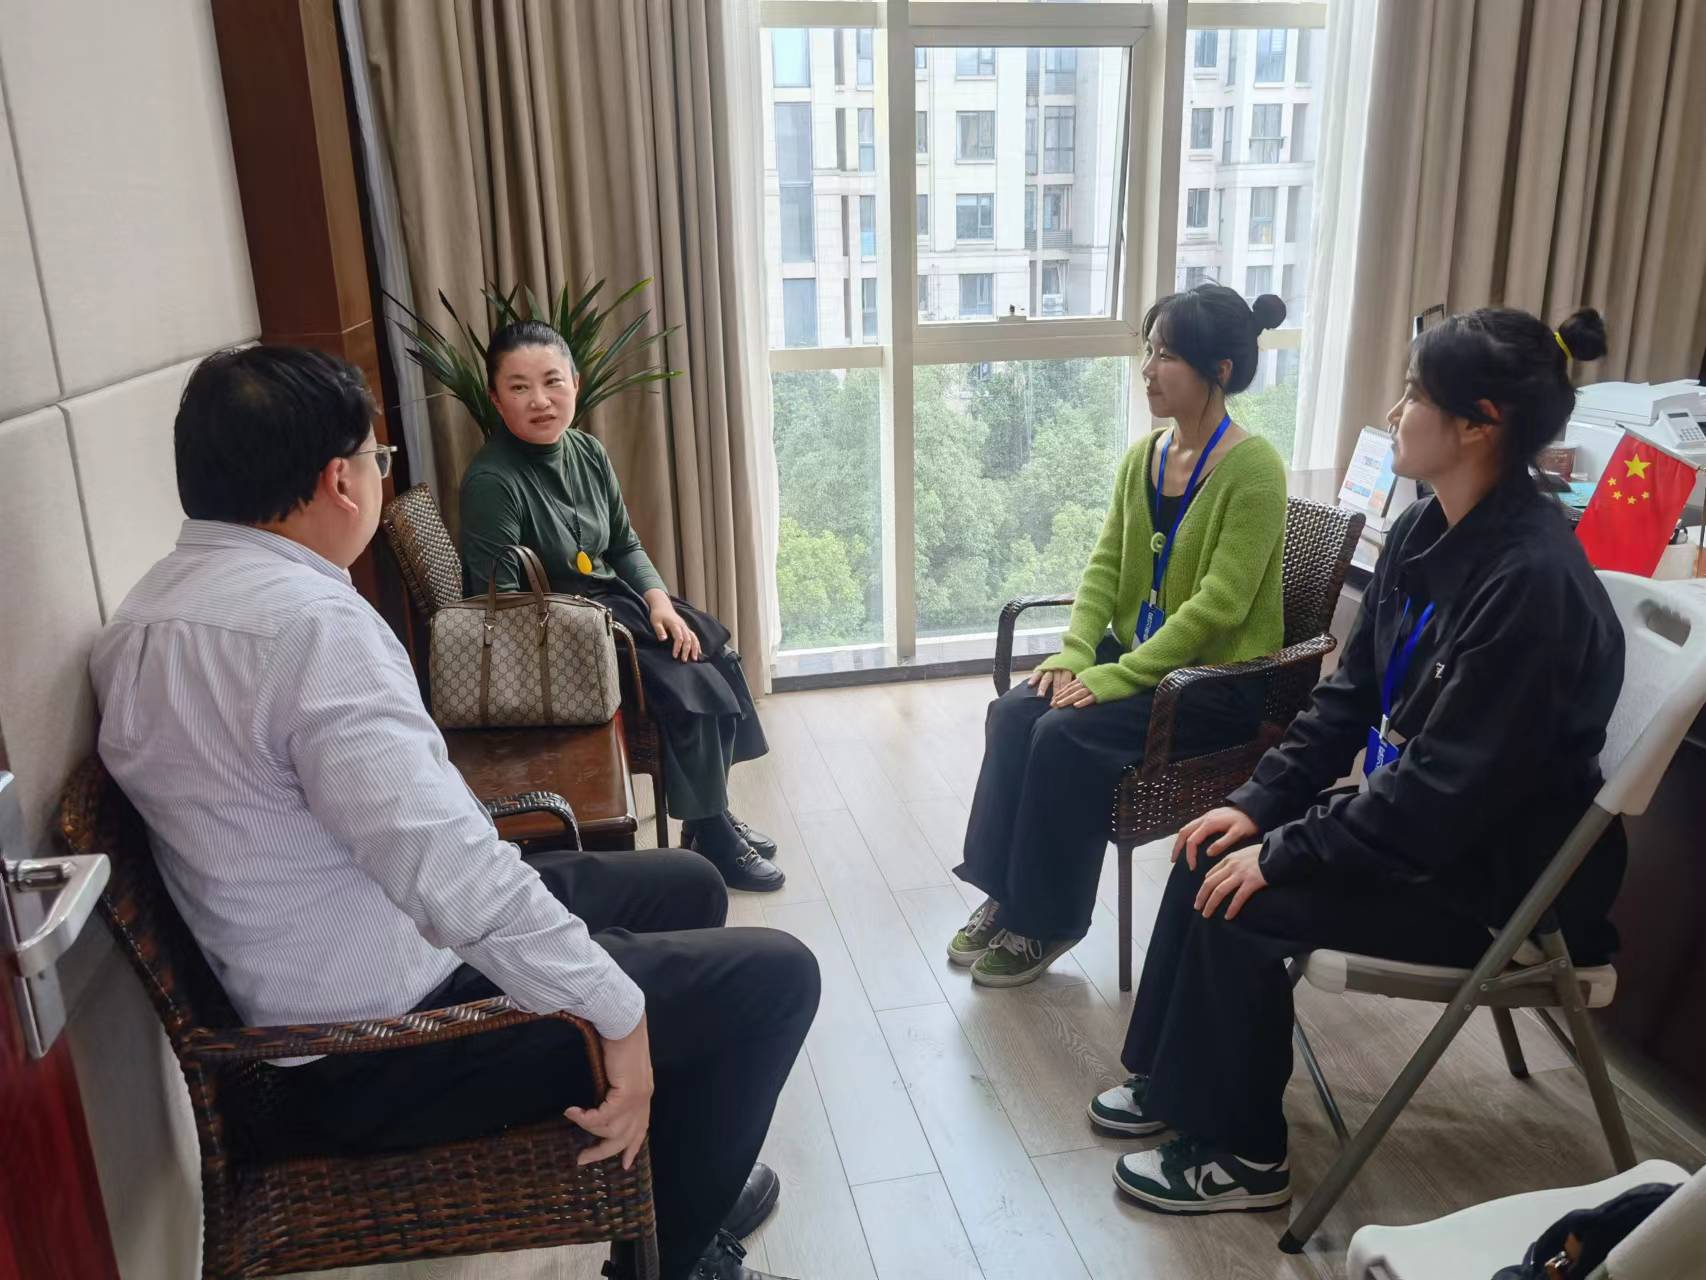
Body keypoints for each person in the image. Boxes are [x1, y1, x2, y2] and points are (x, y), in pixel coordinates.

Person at [89, 346, 816, 1280]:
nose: (378, 478)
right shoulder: (311, 629)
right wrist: (617, 1016)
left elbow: (407, 842)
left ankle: (682, 1186)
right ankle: (667, 1266)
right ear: (338, 480)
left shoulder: (141, 619)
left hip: (339, 964)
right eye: (378, 460)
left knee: (685, 883)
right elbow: (447, 873)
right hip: (377, 1046)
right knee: (777, 978)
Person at [1089, 306, 1625, 1216]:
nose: (1394, 411)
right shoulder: (1424, 531)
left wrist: (1288, 849)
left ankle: (1247, 1156)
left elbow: (1446, 793)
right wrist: (1258, 804)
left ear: (1479, 424)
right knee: (1211, 843)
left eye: (1415, 394)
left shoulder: (1532, 587)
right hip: (1421, 830)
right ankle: (1177, 1084)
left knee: (1243, 900)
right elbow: (1344, 700)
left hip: (1489, 880)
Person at [949, 285, 1291, 987]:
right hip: (1143, 660)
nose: (1148, 369)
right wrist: (1078, 651)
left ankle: (1046, 921)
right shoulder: (1145, 456)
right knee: (1014, 712)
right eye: (1149, 351)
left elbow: (1219, 607)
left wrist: (1117, 675)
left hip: (1211, 683)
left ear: (1220, 370)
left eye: (1167, 356)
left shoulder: (1255, 469)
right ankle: (1005, 893)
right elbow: (1105, 566)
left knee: (1062, 735)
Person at [459, 321, 782, 894]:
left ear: (575, 384)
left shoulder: (587, 451)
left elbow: (624, 544)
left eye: (552, 381)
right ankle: (711, 831)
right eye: (519, 387)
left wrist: (658, 602)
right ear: (495, 398)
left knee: (716, 653)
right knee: (691, 688)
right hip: (562, 634)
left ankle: (709, 814)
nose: (540, 400)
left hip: (616, 606)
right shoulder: (492, 480)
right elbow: (501, 605)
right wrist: (602, 622)